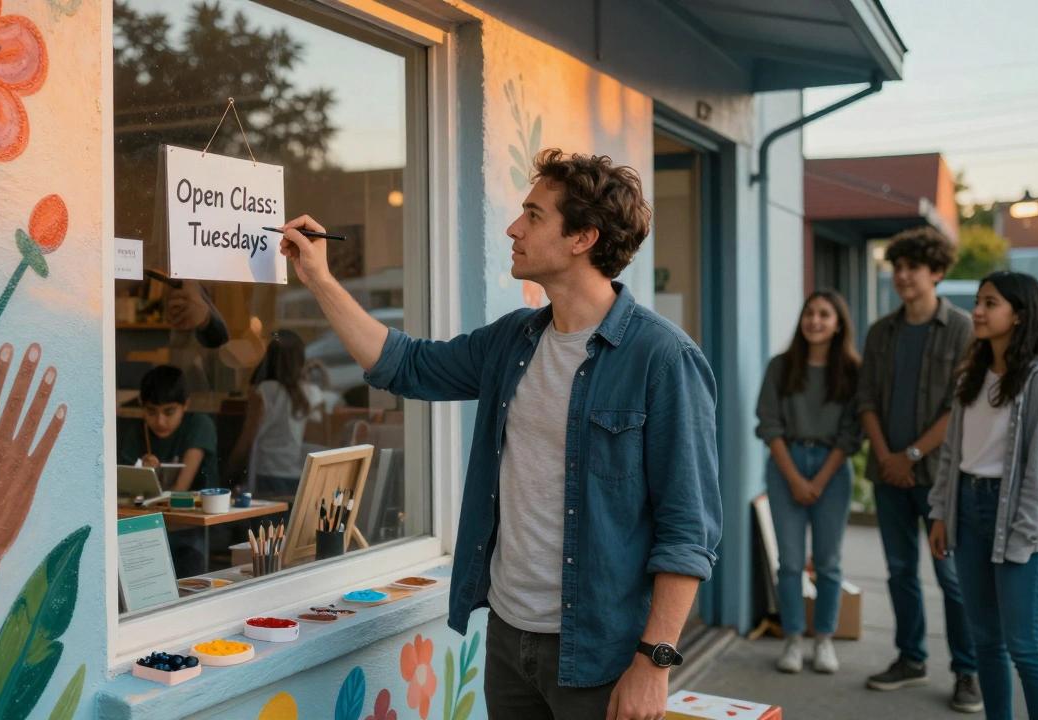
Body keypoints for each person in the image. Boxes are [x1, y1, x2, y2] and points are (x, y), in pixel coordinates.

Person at [277, 149, 721, 720]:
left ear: (583, 237)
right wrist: (318, 278)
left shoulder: (663, 359)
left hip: (602, 653)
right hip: (511, 640)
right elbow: (404, 365)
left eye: (534, 215)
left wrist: (653, 662)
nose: (514, 228)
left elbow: (688, 530)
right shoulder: (515, 341)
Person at [856, 226, 981, 711]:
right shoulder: (880, 331)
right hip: (888, 475)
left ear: (938, 272)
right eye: (898, 267)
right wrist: (887, 457)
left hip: (939, 479)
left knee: (951, 577)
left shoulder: (963, 329)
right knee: (899, 572)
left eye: (914, 268)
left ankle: (966, 671)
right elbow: (866, 398)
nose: (903, 276)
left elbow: (960, 407)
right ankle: (911, 659)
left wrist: (908, 457)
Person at [929, 271, 1038, 720]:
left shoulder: (1037, 380)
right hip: (968, 507)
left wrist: (1026, 533)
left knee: (1024, 646)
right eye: (978, 301)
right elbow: (952, 454)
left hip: (1015, 517)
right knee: (985, 640)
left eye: (990, 303)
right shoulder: (971, 376)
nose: (977, 311)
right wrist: (941, 512)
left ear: (1019, 314)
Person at [755, 290, 862, 675]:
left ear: (838, 325)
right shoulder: (781, 367)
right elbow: (768, 423)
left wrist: (818, 478)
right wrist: (797, 478)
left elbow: (852, 433)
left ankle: (824, 639)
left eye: (824, 315)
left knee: (829, 562)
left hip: (833, 469)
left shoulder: (852, 372)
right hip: (787, 463)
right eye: (809, 313)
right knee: (790, 562)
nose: (815, 320)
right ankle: (793, 639)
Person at [227, 329, 326, 497]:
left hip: (268, 472)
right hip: (299, 472)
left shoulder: (266, 391)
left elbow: (247, 438)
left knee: (268, 523)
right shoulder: (312, 393)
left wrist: (228, 470)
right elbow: (315, 438)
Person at [118, 365, 218, 492]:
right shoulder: (138, 431)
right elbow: (125, 491)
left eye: (169, 412)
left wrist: (156, 476)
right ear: (141, 404)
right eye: (151, 411)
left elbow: (180, 490)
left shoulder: (199, 425)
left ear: (186, 404)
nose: (160, 422)